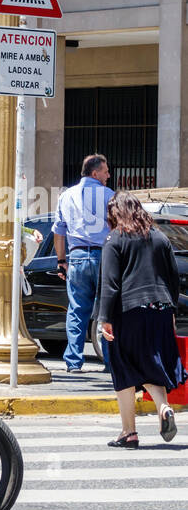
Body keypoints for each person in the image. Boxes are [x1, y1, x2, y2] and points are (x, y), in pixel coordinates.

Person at [99, 192, 186, 448]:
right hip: (160, 309)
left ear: (116, 213)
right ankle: (163, 408)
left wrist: (104, 317)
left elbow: (110, 282)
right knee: (150, 363)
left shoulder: (116, 239)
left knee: (124, 368)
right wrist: (171, 312)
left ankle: (129, 432)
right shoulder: (159, 237)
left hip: (129, 311)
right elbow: (173, 277)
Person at [53, 153, 114, 372]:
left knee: (77, 310)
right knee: (106, 311)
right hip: (104, 257)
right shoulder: (109, 195)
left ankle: (74, 362)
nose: (108, 175)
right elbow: (116, 229)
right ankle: (110, 361)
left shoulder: (66, 196)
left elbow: (59, 232)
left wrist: (61, 260)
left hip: (77, 257)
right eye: (106, 171)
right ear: (95, 173)